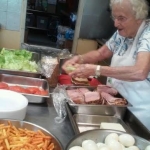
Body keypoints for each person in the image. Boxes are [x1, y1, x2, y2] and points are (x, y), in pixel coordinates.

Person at [62, 0, 150, 108]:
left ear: (139, 18)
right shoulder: (122, 32)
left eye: (121, 18)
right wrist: (79, 59)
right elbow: (101, 53)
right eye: (114, 17)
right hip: (116, 101)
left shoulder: (148, 35)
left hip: (138, 110)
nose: (115, 23)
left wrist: (97, 70)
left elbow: (140, 72)